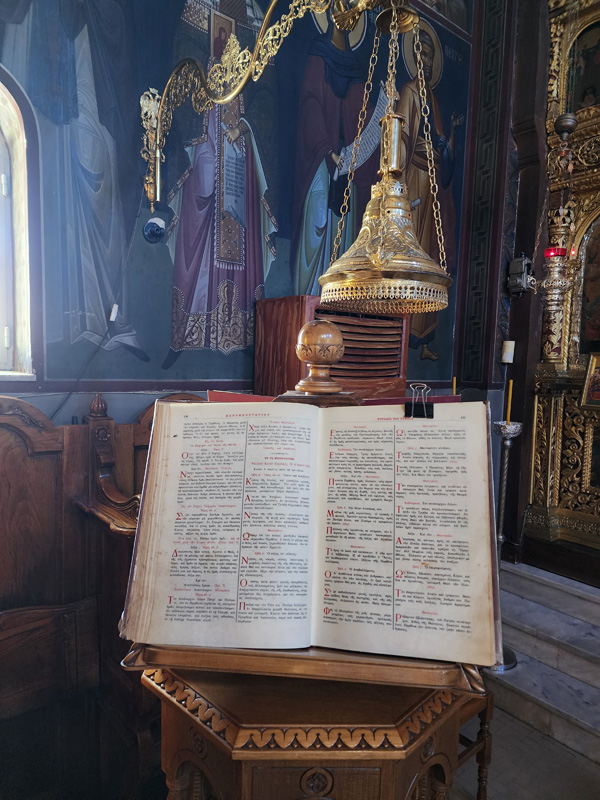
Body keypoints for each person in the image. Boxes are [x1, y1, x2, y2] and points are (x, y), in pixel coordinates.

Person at [291, 15, 383, 296]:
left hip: (347, 160)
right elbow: (311, 102)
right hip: (322, 156)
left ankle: (336, 296)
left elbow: (360, 114)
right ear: (330, 14)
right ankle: (308, 293)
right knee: (318, 216)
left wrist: (382, 109)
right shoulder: (318, 53)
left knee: (345, 225)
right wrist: (326, 148)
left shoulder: (356, 66)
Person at [397, 28, 463, 360]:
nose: (423, 59)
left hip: (433, 182)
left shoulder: (432, 99)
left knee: (429, 258)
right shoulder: (409, 91)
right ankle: (402, 332)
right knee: (409, 255)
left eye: (428, 55)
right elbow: (403, 140)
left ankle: (423, 339)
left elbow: (438, 142)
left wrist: (447, 140)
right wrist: (398, 188)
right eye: (419, 53)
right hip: (416, 179)